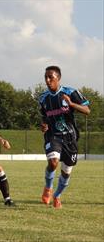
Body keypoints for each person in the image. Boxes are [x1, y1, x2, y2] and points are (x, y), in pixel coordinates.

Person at [39, 66, 90, 208]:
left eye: (51, 77)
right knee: (53, 162)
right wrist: (43, 125)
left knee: (66, 172)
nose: (48, 80)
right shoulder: (43, 98)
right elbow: (44, 116)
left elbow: (87, 110)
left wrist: (71, 104)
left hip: (70, 138)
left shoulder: (70, 92)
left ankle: (57, 195)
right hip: (53, 135)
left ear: (58, 78)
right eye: (46, 77)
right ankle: (48, 188)